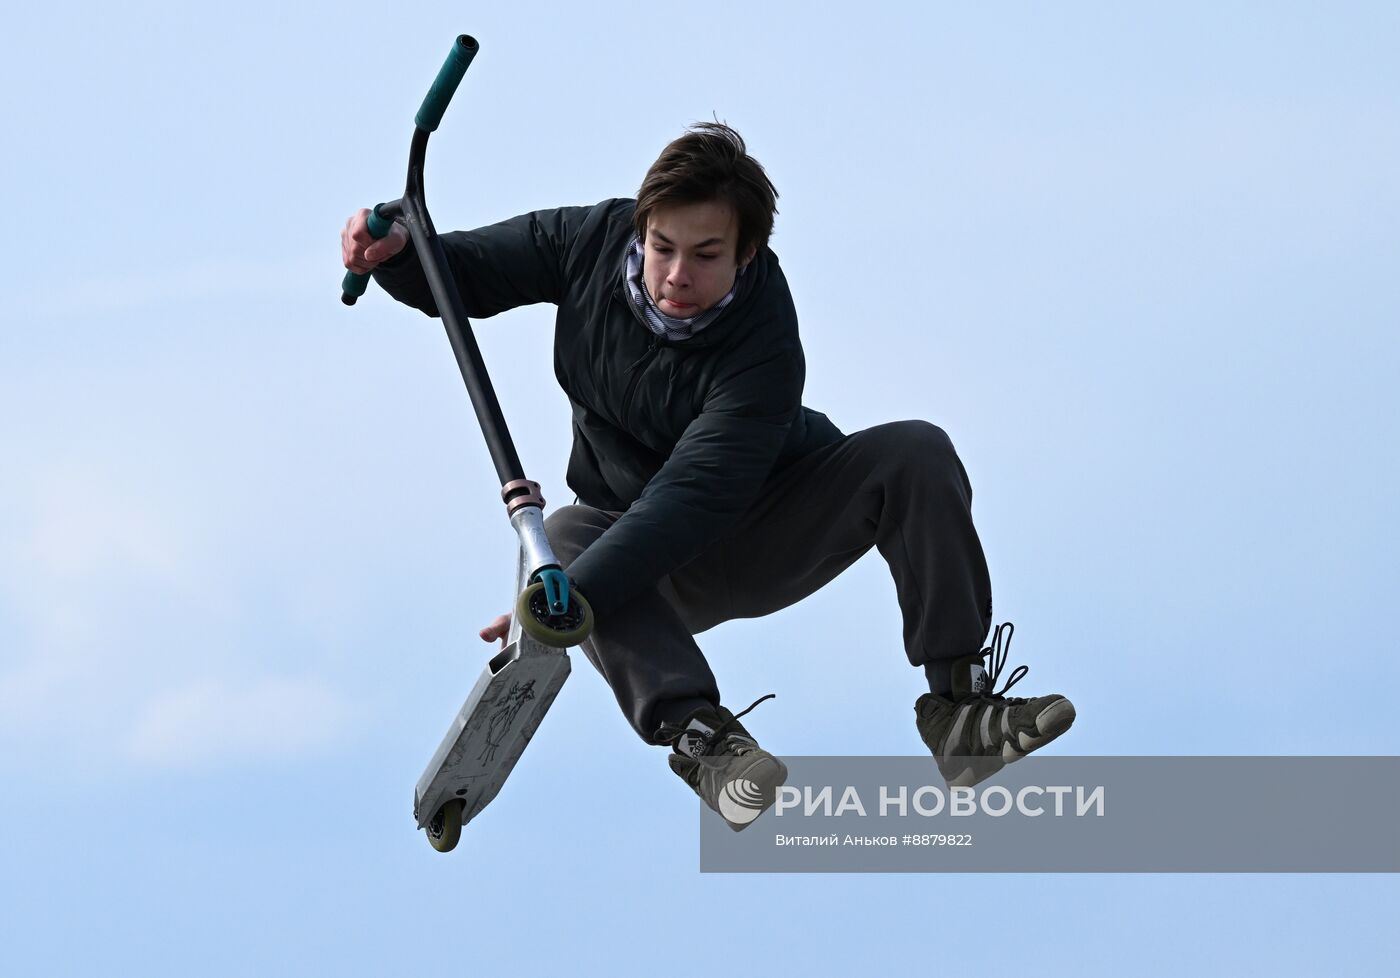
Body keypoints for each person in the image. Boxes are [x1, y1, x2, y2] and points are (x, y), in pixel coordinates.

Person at [341, 123, 1075, 830]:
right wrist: (400, 256)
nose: (676, 275)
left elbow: (696, 494)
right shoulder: (588, 239)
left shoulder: (764, 344)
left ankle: (960, 711)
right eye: (661, 246)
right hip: (646, 565)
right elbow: (460, 274)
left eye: (706, 254)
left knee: (917, 450)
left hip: (763, 529)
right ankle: (706, 744)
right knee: (562, 531)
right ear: (641, 226)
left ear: (747, 254)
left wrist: (575, 594)